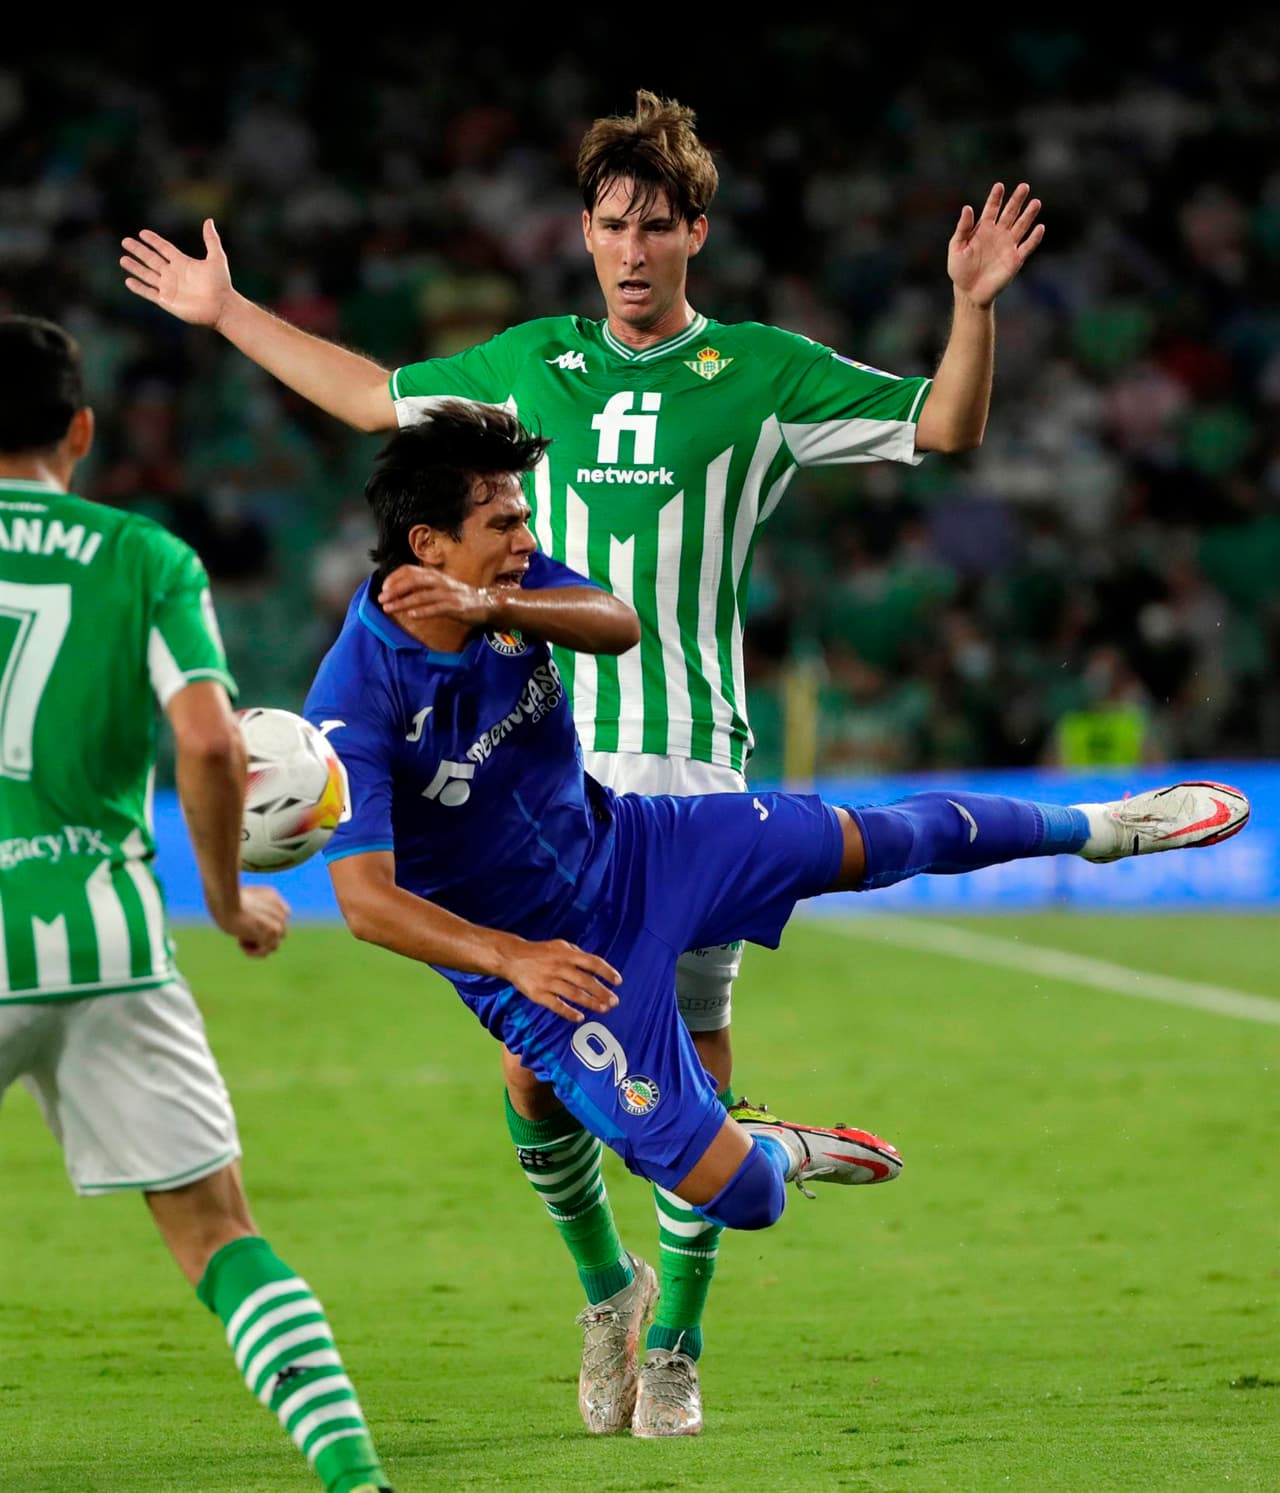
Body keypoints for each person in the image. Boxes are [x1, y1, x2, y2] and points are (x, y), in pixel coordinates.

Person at [119, 88, 1048, 1436]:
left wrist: (973, 306)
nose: (629, 248)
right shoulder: (524, 366)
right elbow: (378, 399)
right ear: (584, 231)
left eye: (654, 226)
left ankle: (674, 1343)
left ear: (695, 236)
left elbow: (946, 427)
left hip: (695, 766)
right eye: (610, 224)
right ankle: (605, 1289)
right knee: (534, 1073)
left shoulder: (769, 374)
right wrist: (230, 314)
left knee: (700, 1065)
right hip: (540, 781)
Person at [304, 404, 1249, 1437]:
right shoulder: (356, 696)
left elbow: (616, 623)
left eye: (522, 515)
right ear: (427, 543)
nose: (524, 533)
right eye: (500, 520)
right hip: (555, 963)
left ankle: (1106, 826)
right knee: (742, 1197)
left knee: (873, 839)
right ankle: (735, 1193)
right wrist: (510, 958)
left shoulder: (514, 580)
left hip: (636, 847)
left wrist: (498, 600)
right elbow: (363, 901)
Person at [0, 316, 394, 1493]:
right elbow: (210, 747)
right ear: (81, 427)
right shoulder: (143, 557)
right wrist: (222, 899)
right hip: (109, 938)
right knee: (220, 1234)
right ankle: (355, 1479)